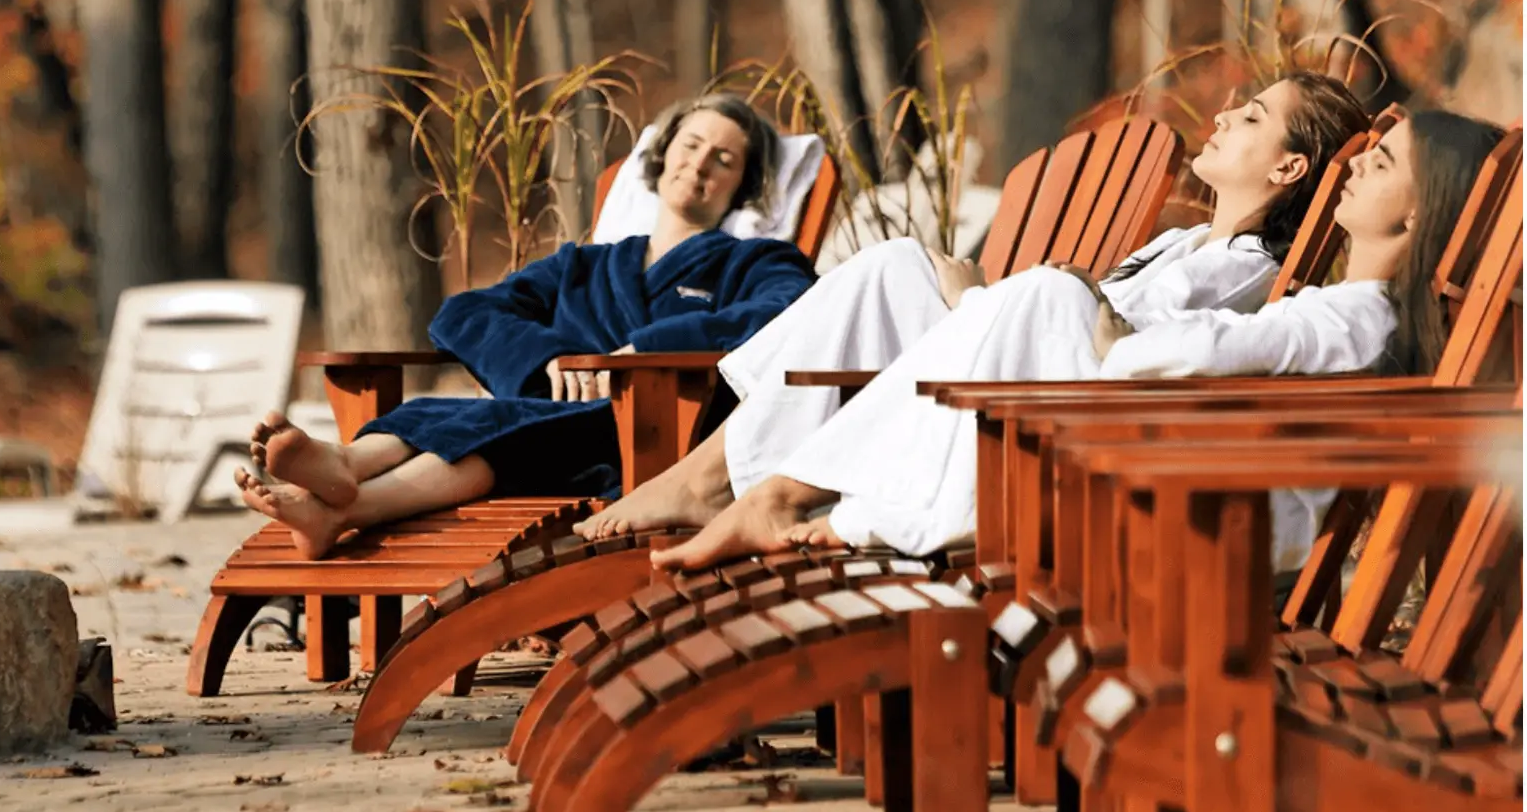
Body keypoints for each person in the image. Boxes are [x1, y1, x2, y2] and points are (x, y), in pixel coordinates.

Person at [642, 110, 1503, 576]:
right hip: (1173, 483)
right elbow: (1176, 356)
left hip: (1200, 518)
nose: (1357, 167)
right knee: (1037, 298)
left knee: (1047, 295)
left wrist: (1102, 318)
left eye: (1382, 165)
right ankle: (806, 506)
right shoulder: (1348, 310)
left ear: (1423, 212)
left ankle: (804, 504)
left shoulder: (1356, 315)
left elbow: (1175, 353)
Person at [581, 72, 1370, 547]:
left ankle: (734, 483)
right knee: (892, 264)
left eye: (1255, 117)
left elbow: (1116, 349)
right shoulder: (1188, 242)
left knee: (945, 274)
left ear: (1290, 166)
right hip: (1016, 377)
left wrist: (973, 301)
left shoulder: (1244, 272)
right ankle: (712, 476)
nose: (1227, 115)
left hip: (1049, 424)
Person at [235, 95, 818, 558]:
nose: (700, 164)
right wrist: (547, 356)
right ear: (662, 155)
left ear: (743, 186)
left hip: (655, 449)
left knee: (491, 419)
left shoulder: (758, 261)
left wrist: (647, 346)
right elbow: (462, 313)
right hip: (550, 431)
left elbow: (790, 311)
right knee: (478, 418)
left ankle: (346, 479)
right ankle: (339, 500)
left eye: (724, 159)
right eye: (691, 144)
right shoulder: (581, 266)